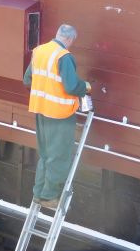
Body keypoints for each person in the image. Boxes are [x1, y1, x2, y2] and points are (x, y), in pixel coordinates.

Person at [23, 24, 91, 210]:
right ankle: (49, 196)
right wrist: (85, 86)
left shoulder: (39, 52)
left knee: (45, 154)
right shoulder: (64, 56)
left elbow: (27, 79)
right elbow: (70, 86)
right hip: (59, 114)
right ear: (69, 39)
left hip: (40, 110)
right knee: (59, 155)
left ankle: (39, 193)